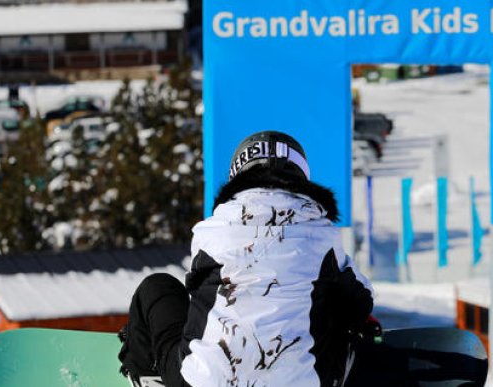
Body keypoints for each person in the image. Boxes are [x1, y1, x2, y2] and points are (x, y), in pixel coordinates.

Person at [119, 130, 376, 387]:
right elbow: (360, 303)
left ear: (237, 174)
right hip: (300, 381)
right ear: (302, 174)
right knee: (336, 307)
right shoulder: (322, 235)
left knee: (157, 287)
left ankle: (146, 374)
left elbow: (199, 302)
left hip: (203, 382)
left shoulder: (212, 230)